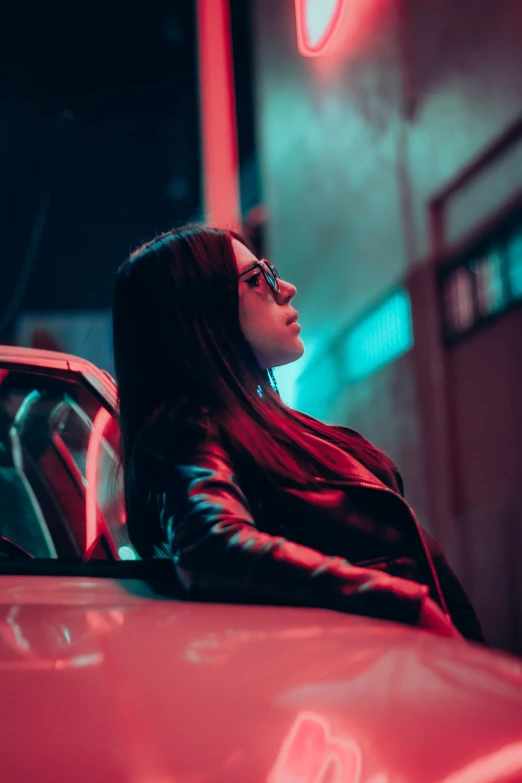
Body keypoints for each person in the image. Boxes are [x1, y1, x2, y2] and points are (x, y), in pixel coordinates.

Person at [112, 224, 485, 643]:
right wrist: (399, 602)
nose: (285, 288)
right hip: (373, 677)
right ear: (197, 312)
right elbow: (210, 547)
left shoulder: (263, 425)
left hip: (417, 668)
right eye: (257, 280)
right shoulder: (186, 426)